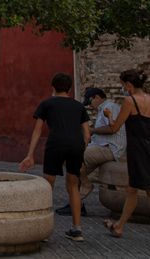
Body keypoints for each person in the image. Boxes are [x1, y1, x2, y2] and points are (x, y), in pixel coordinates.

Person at [94, 69, 150, 252]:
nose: (123, 89)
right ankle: (119, 226)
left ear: (128, 85)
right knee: (132, 189)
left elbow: (114, 128)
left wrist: (109, 116)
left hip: (139, 152)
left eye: (122, 85)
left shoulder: (130, 101)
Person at [18, 72, 90, 243]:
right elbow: (87, 134)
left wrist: (30, 155)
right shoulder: (79, 106)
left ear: (53, 87)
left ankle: (44, 228)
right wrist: (81, 150)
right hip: (76, 145)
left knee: (48, 184)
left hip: (56, 143)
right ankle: (77, 229)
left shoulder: (47, 104)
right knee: (73, 185)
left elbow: (37, 130)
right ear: (70, 89)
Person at [61, 86, 124, 215]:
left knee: (72, 158)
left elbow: (112, 128)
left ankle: (86, 185)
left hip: (109, 148)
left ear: (97, 97)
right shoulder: (103, 109)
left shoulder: (109, 107)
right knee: (73, 173)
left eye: (90, 102)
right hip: (101, 146)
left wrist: (92, 130)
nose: (90, 106)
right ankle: (77, 204)